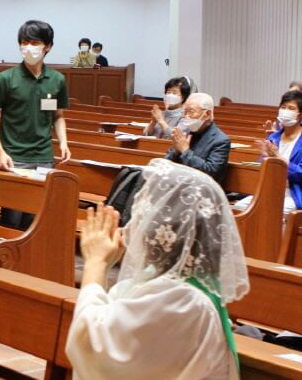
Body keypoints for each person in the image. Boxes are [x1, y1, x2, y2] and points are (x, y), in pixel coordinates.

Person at [67, 159, 247, 380]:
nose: (132, 226)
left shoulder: (182, 300)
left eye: (141, 218)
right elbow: (108, 325)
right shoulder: (165, 284)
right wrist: (103, 268)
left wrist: (96, 262)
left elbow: (93, 343)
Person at [0, 20, 71, 228]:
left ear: (48, 46)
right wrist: (0, 152)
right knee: (11, 223)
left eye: (35, 43)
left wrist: (64, 142)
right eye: (24, 42)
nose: (29, 47)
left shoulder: (57, 80)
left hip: (44, 157)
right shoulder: (5, 79)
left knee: (36, 221)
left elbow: (58, 116)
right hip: (14, 158)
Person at [165, 92, 231, 185]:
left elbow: (211, 173)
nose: (185, 116)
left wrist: (185, 151)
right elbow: (165, 165)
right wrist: (175, 152)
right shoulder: (185, 132)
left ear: (207, 114)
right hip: (178, 184)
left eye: (191, 112)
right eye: (185, 111)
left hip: (201, 189)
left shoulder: (221, 141)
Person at [256, 90, 302, 213]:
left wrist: (278, 157)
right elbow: (262, 170)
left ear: (300, 115)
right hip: (270, 191)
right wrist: (265, 158)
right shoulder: (273, 137)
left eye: (291, 108)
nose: (286, 111)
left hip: (294, 195)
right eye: (283, 107)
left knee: (271, 211)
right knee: (240, 207)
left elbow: (300, 173)